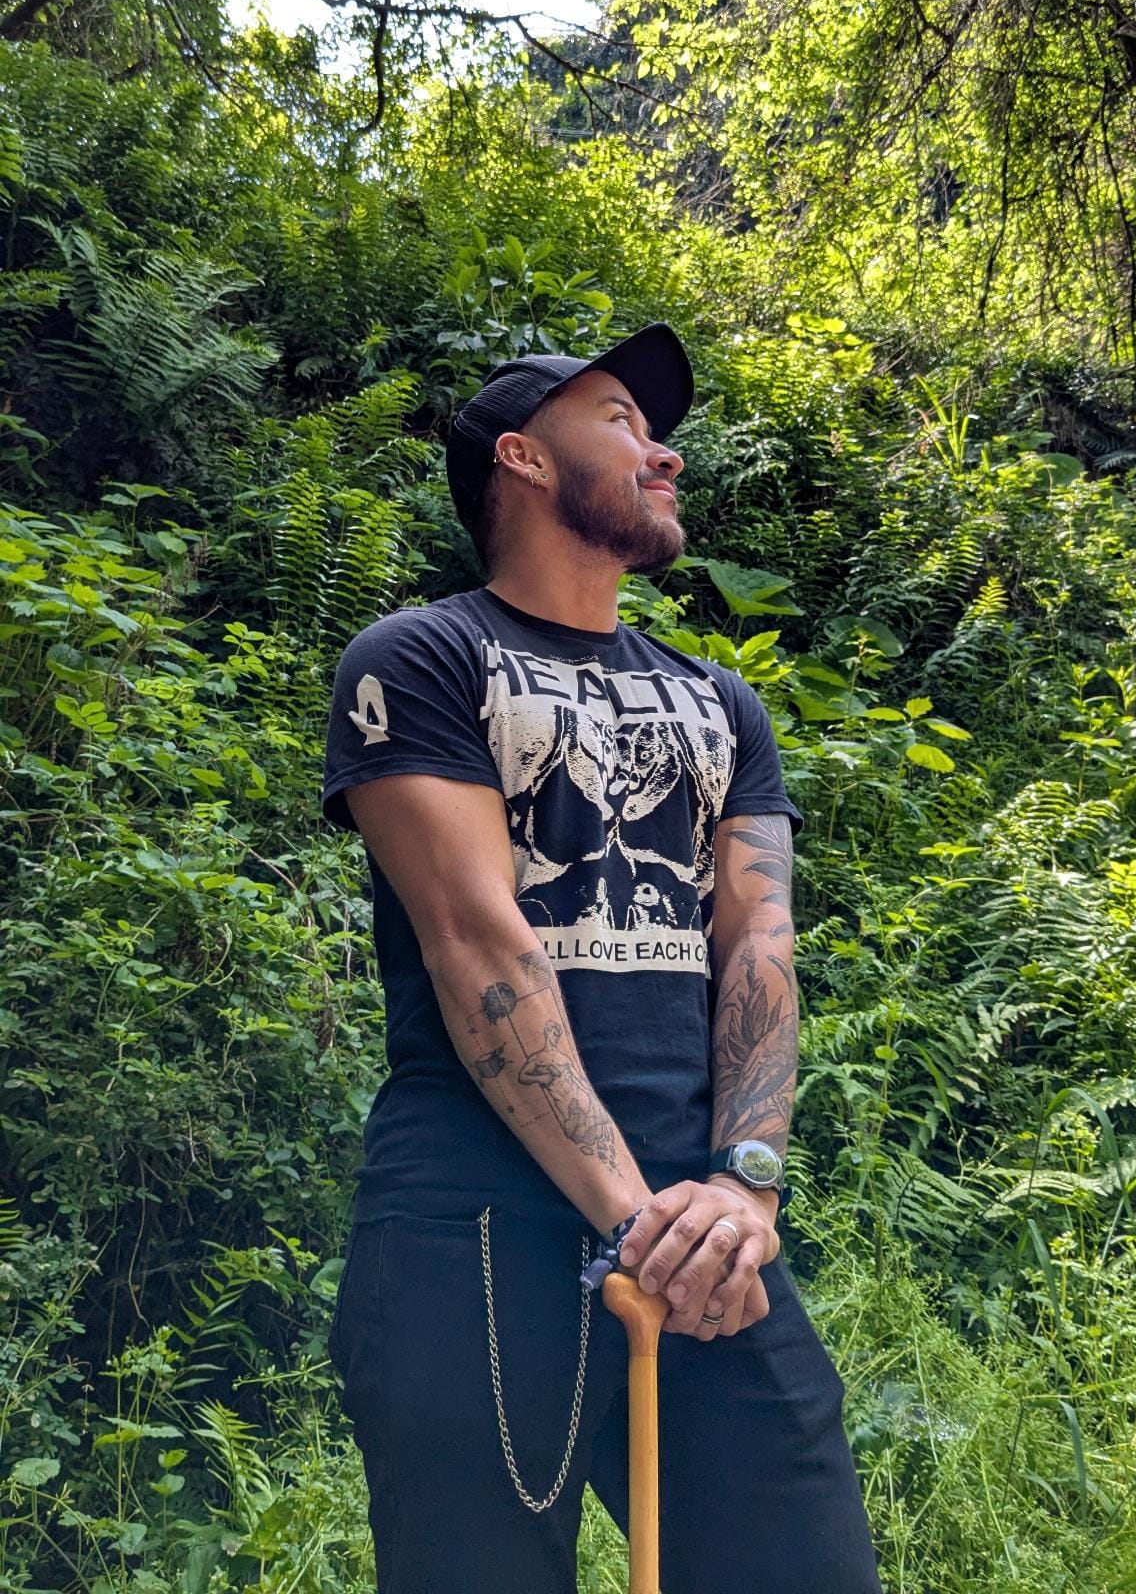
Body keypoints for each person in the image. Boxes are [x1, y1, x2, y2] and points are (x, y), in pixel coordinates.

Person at [321, 322, 881, 1593]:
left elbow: (759, 949)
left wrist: (744, 1190)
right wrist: (637, 1222)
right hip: (472, 1230)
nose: (664, 451)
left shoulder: (721, 702)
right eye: (623, 418)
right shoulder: (422, 658)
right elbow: (479, 945)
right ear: (521, 456)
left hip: (703, 1231)